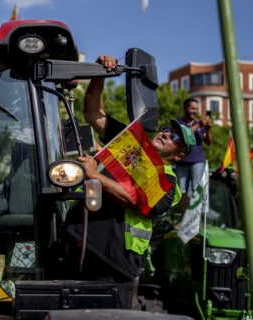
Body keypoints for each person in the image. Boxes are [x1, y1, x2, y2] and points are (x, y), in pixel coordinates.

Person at [64, 55, 196, 309]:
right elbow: (93, 112)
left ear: (178, 156)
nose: (167, 134)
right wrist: (101, 72)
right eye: (168, 130)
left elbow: (136, 201)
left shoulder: (167, 181)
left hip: (114, 263)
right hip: (78, 244)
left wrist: (94, 175)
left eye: (175, 138)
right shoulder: (131, 144)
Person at [174, 98, 213, 212]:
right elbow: (184, 135)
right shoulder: (178, 123)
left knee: (197, 189)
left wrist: (207, 129)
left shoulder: (199, 123)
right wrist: (200, 124)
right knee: (181, 191)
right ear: (185, 108)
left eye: (196, 109)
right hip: (182, 161)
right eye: (192, 108)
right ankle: (184, 220)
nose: (195, 111)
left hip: (197, 161)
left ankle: (196, 221)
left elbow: (209, 142)